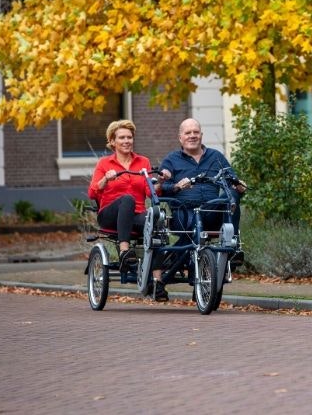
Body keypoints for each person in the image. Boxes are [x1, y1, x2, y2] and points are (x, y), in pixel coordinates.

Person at [88, 119, 168, 301]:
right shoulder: (104, 163)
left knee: (156, 222)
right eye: (122, 137)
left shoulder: (143, 162)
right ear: (112, 141)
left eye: (129, 137)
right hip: (110, 215)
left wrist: (160, 182)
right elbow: (92, 192)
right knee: (127, 199)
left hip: (136, 215)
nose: (126, 141)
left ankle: (157, 282)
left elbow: (150, 191)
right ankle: (124, 251)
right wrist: (105, 180)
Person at [159, 118, 246, 259]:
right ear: (180, 138)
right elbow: (161, 188)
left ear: (201, 135)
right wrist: (177, 186)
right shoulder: (171, 159)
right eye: (188, 133)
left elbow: (232, 180)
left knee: (231, 194)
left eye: (196, 132)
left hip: (212, 211)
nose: (192, 135)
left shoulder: (216, 156)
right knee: (193, 231)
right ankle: (172, 259)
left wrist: (239, 187)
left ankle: (232, 245)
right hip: (184, 213)